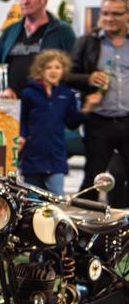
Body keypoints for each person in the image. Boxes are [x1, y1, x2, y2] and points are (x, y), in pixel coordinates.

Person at [65, 0, 129, 200]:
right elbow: (67, 76)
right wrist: (89, 78)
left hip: (128, 121)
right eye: (105, 13)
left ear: (127, 15)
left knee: (124, 178)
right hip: (98, 122)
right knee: (93, 178)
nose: (110, 18)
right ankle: (83, 228)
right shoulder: (87, 43)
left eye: (116, 14)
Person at [17, 50, 97, 197]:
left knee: (56, 199)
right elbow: (22, 119)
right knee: (32, 201)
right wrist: (21, 137)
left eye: (57, 67)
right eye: (49, 67)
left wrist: (86, 110)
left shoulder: (67, 95)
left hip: (55, 156)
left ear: (63, 70)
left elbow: (71, 122)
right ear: (40, 70)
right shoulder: (29, 93)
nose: (53, 71)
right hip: (33, 156)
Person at [0, 0, 76, 97]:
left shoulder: (63, 31)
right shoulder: (9, 31)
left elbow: (73, 67)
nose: (25, 1)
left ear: (44, 0)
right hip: (11, 102)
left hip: (45, 103)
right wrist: (4, 88)